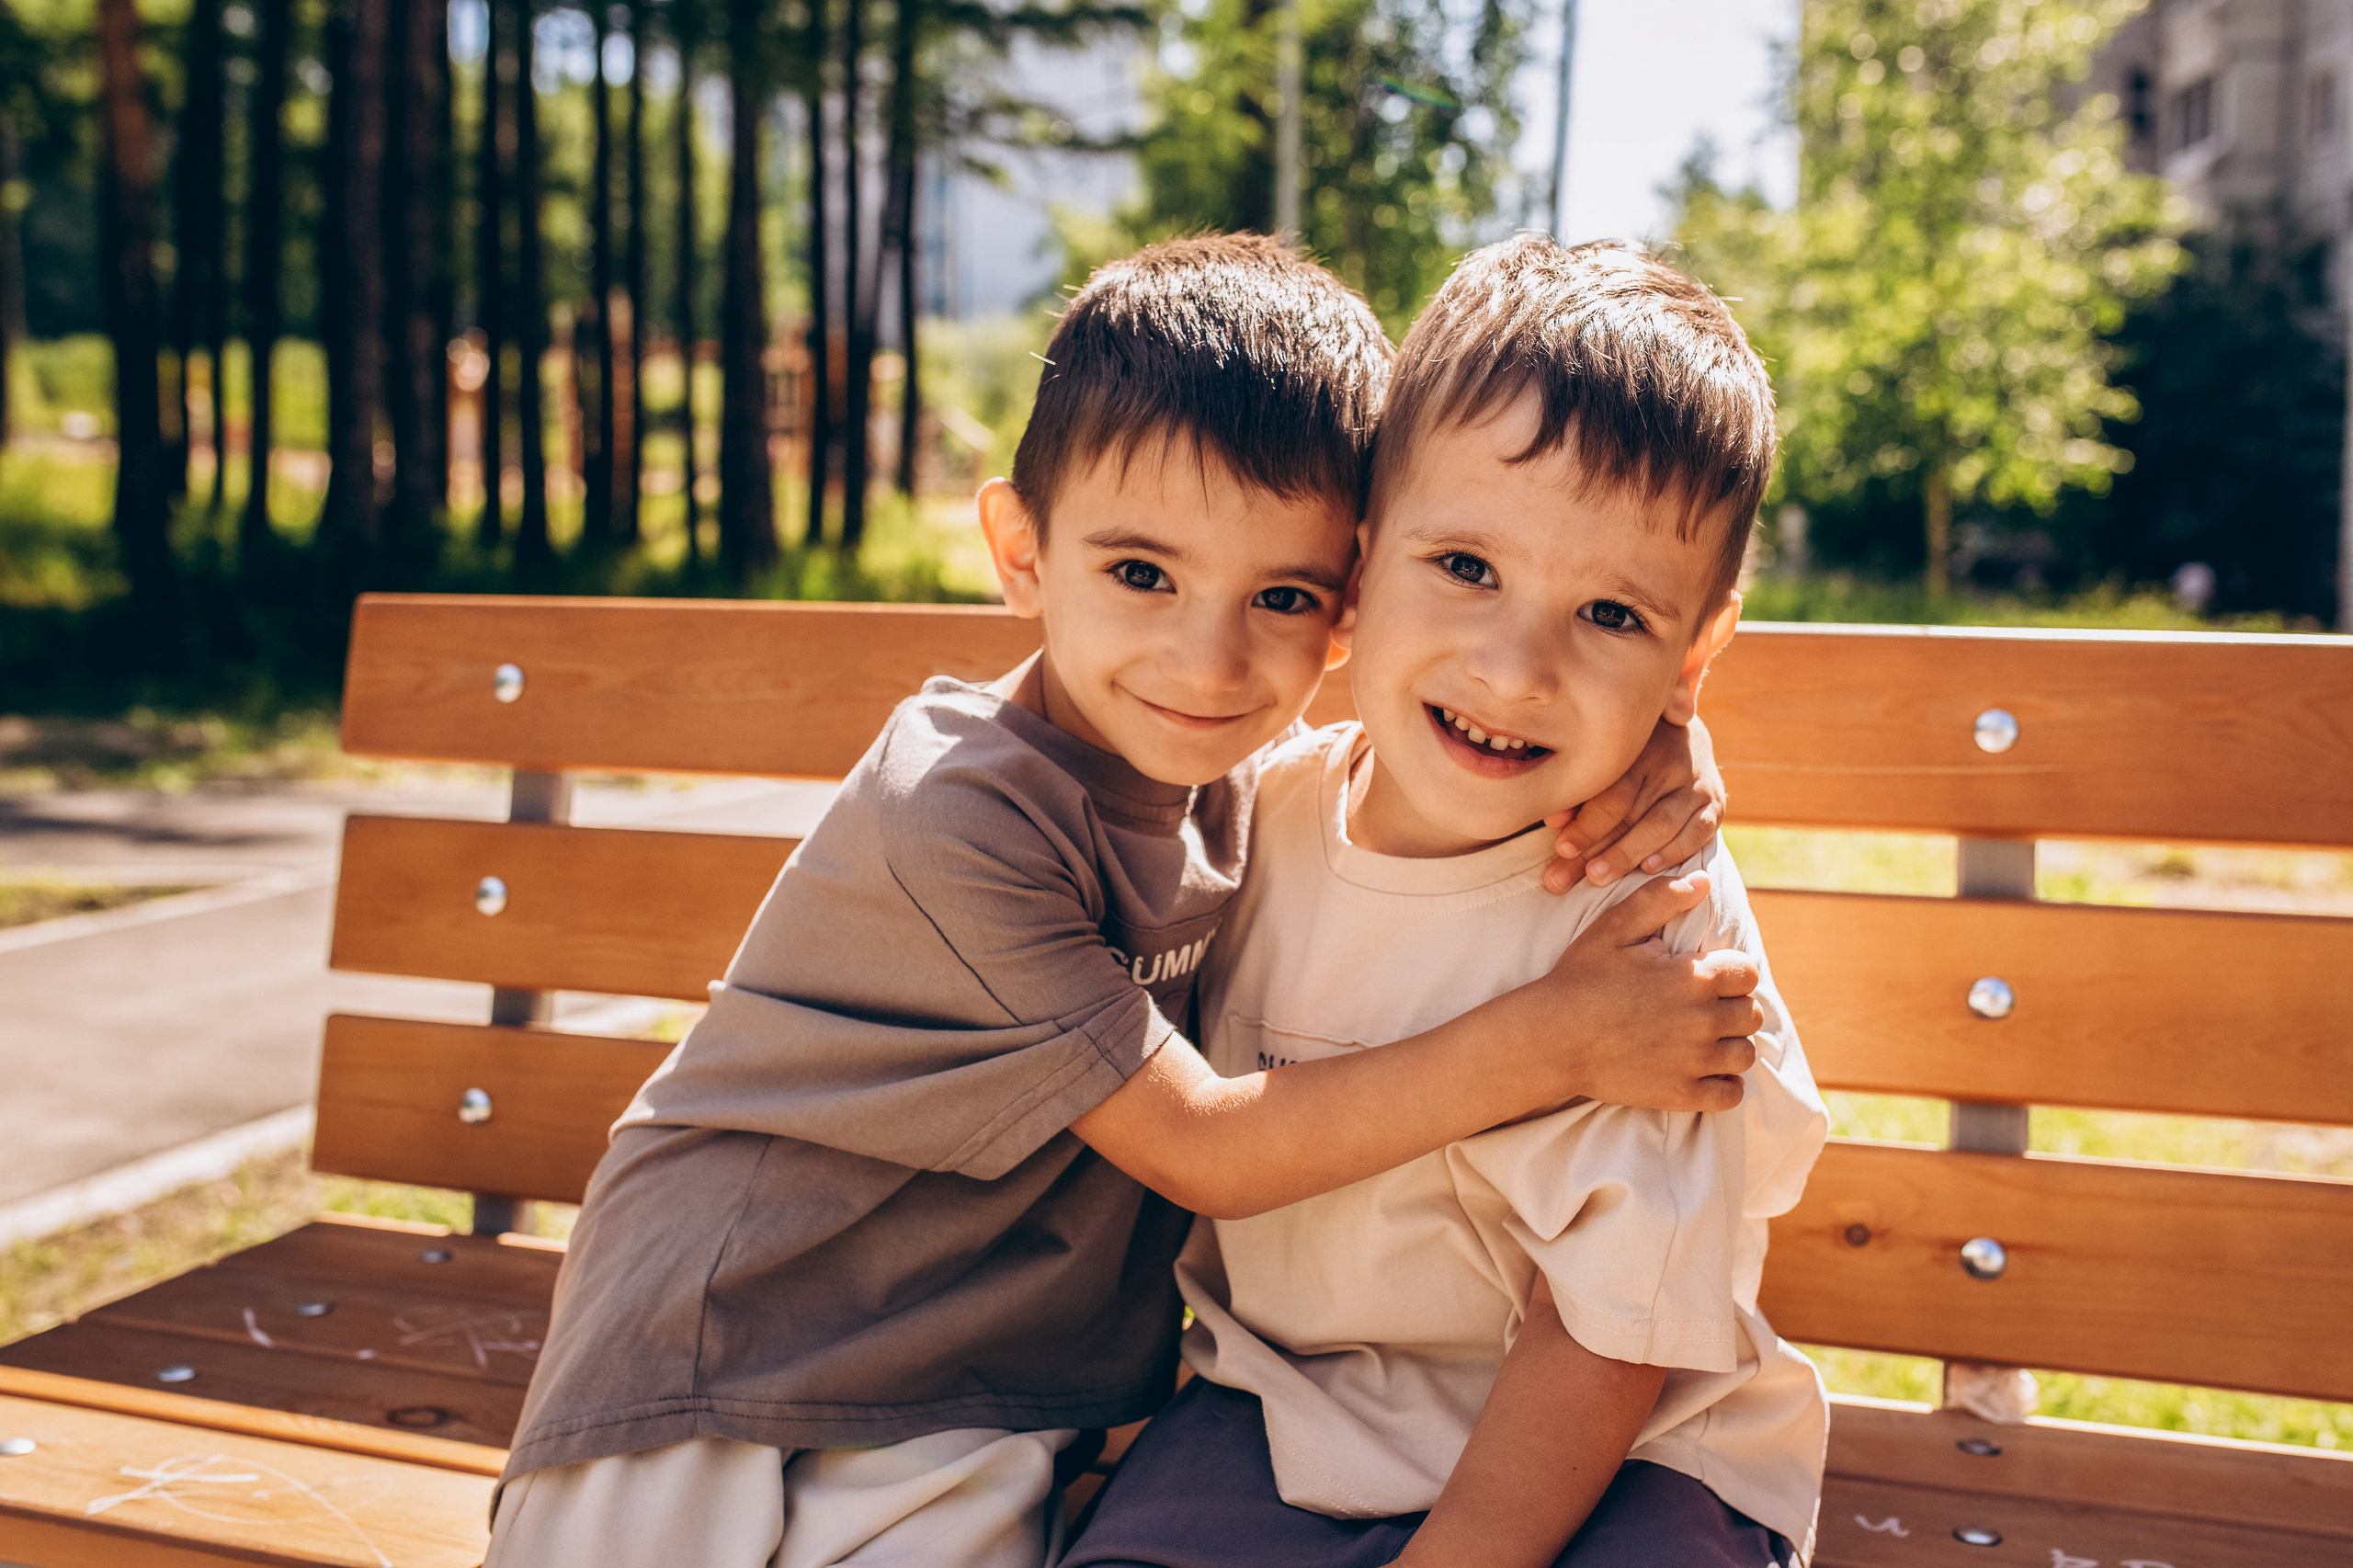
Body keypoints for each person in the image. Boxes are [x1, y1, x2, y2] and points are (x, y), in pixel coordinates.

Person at [482, 234, 1764, 1568]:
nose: (1207, 660)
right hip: (727, 1337)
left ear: (1346, 598)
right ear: (1021, 553)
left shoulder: (1239, 796)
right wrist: (1559, 1036)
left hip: (974, 1393)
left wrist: (1661, 724)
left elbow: (1508, 685)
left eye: (1280, 594)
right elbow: (1202, 1142)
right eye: (1141, 573)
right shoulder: (956, 815)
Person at [1060, 236, 1831, 1568]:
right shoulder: (1251, 820)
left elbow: (1611, 1327)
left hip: (1628, 1451)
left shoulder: (1649, 933)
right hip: (1284, 1402)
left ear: (1695, 652)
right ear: (1362, 562)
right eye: (1466, 568)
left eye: (1610, 615)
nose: (1516, 667)